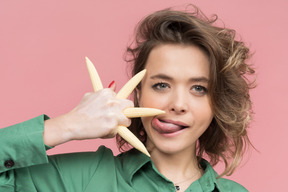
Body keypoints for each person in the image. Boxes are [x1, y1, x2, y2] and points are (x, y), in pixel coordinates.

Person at [0, 5, 255, 192]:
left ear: (216, 103)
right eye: (162, 85)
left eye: (199, 88)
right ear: (138, 93)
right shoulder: (83, 178)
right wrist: (67, 126)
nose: (177, 104)